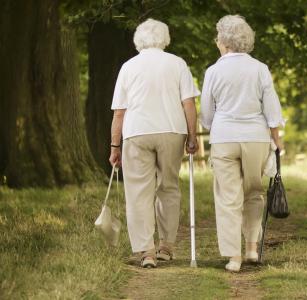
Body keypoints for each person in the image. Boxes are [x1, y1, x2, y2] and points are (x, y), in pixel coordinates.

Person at [110, 19, 199, 268]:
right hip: (172, 130)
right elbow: (188, 104)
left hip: (137, 132)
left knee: (138, 192)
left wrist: (114, 146)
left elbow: (119, 112)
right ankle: (166, 246)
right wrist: (192, 136)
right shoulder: (177, 63)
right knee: (169, 187)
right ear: (165, 38)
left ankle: (146, 251)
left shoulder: (128, 66)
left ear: (138, 40)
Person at [201, 15, 285, 272]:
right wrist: (277, 141)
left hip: (225, 137)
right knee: (254, 192)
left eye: (218, 37)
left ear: (225, 42)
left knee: (228, 197)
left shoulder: (213, 71)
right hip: (256, 138)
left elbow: (206, 114)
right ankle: (251, 247)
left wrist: (213, 126)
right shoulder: (260, 68)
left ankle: (233, 257)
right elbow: (271, 109)